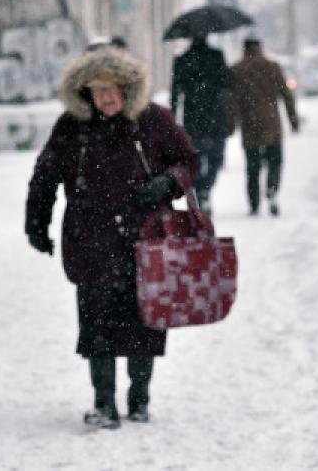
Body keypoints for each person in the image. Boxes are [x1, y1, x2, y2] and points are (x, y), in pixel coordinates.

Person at [25, 46, 199, 430]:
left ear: (127, 88)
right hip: (91, 241)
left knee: (145, 321)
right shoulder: (72, 127)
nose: (106, 96)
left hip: (145, 239)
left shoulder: (153, 120)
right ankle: (104, 404)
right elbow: (45, 177)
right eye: (97, 89)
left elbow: (189, 161)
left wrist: (167, 182)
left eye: (113, 88)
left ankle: (139, 399)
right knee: (97, 324)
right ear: (85, 92)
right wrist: (36, 223)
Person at [228, 37, 299, 217]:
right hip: (271, 124)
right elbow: (287, 95)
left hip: (250, 125)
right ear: (260, 48)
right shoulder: (272, 67)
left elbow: (232, 100)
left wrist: (231, 122)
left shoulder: (237, 70)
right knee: (275, 162)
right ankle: (272, 191)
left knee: (252, 167)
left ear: (244, 49)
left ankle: (254, 204)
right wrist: (293, 120)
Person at [170, 31, 233, 214]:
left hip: (193, 119)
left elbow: (175, 93)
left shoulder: (182, 60)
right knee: (216, 159)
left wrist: (173, 120)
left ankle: (201, 191)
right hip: (215, 116)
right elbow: (227, 83)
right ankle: (206, 189)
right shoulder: (217, 56)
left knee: (194, 160)